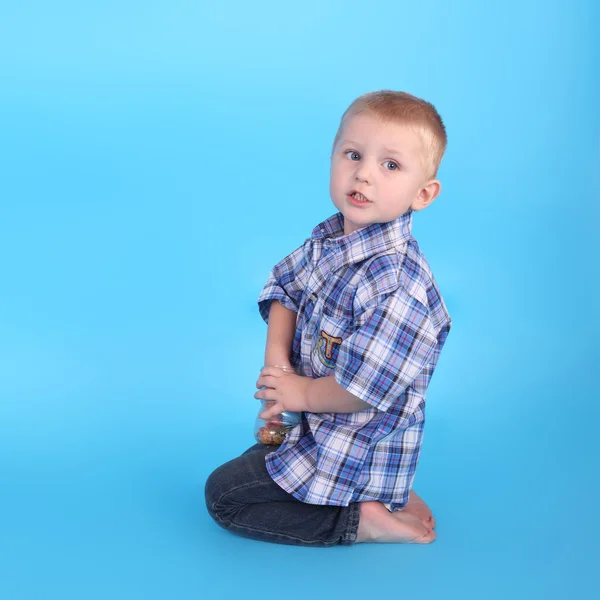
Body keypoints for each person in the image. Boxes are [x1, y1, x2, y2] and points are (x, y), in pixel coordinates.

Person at [205, 90, 452, 546]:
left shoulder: (397, 288)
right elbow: (285, 288)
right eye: (353, 155)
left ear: (423, 194)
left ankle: (362, 520)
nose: (363, 174)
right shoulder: (332, 237)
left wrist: (298, 391)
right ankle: (384, 496)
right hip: (315, 425)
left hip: (352, 440)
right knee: (258, 453)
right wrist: (278, 366)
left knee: (225, 496)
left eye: (390, 165)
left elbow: (361, 391)